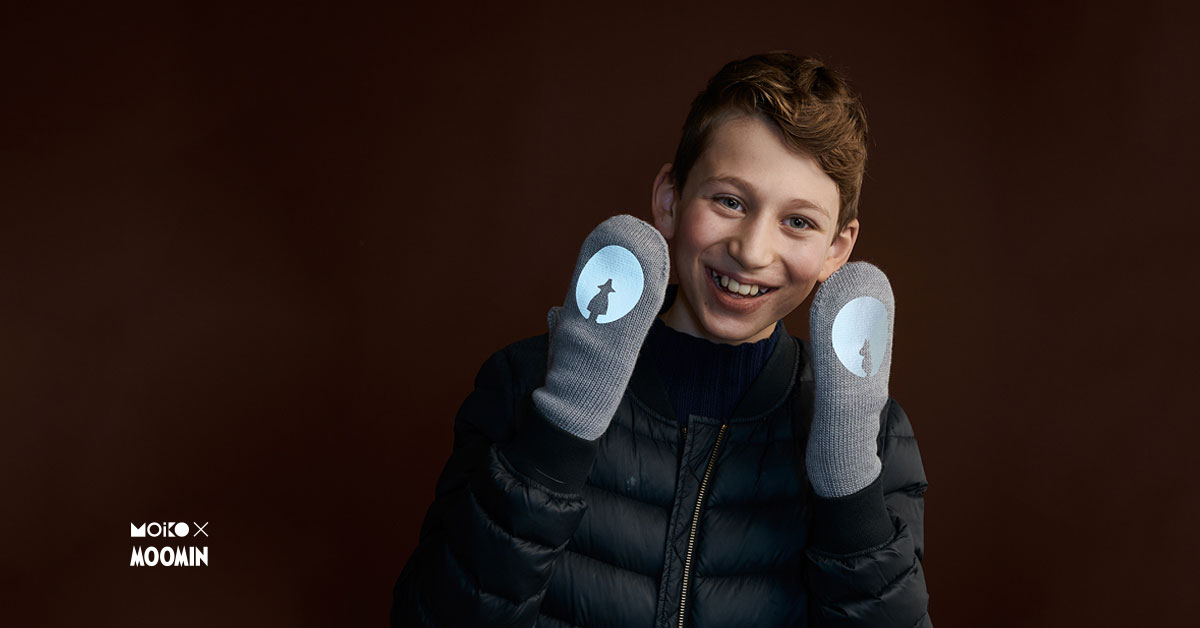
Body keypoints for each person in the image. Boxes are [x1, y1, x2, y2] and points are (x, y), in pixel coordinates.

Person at [390, 51, 931, 627]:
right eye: (729, 201)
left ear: (836, 249)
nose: (752, 251)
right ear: (670, 201)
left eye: (798, 222)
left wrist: (848, 483)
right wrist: (561, 429)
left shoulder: (875, 435)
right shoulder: (526, 383)